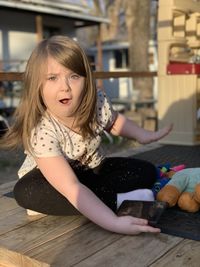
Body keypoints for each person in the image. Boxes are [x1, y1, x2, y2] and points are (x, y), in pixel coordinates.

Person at [0, 35, 173, 235]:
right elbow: (71, 187)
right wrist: (114, 222)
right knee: (25, 192)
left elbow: (115, 122)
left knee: (145, 170)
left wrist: (142, 135)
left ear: (86, 80)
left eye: (74, 76)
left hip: (91, 172)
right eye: (52, 78)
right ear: (36, 87)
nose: (65, 86)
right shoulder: (42, 131)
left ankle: (105, 198)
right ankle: (117, 201)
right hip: (53, 183)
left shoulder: (95, 103)